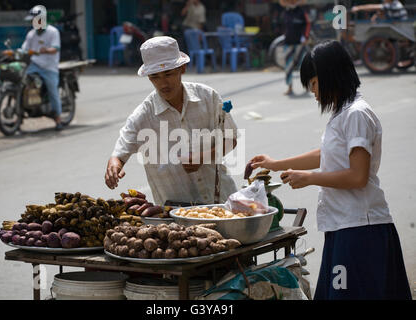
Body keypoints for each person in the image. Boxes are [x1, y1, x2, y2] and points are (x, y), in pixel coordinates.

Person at [249, 40, 412, 300]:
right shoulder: (343, 112)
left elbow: (358, 176)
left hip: (360, 228)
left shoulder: (356, 114)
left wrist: (310, 179)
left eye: (313, 84)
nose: (313, 93)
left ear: (329, 76)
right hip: (344, 226)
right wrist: (276, 163)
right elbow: (326, 155)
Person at [105, 36, 238, 206]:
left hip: (222, 200)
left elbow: (230, 140)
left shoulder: (207, 97)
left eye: (168, 74)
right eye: (155, 77)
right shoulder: (143, 115)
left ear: (182, 68)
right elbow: (119, 153)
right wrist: (114, 167)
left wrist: (203, 157)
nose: (163, 83)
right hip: (176, 211)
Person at [22, 5, 63, 131]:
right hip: (35, 66)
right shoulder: (31, 34)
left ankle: (58, 119)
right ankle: (20, 114)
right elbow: (24, 48)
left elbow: (55, 48)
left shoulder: (53, 32)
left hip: (49, 67)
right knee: (23, 84)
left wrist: (47, 50)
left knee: (52, 91)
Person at [279, 0, 311, 96]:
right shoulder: (285, 13)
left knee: (303, 65)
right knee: (288, 66)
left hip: (300, 42)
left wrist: (305, 37)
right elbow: (283, 26)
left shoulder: (301, 12)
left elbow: (308, 24)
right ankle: (289, 87)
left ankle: (307, 86)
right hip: (288, 42)